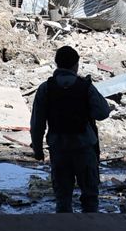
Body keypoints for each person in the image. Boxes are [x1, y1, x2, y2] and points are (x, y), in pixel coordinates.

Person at [30, 46, 111, 213]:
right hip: (84, 148)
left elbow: (37, 123)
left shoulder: (46, 88)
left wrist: (38, 149)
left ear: (57, 64)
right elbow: (103, 113)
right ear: (76, 65)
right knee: (90, 198)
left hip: (59, 149)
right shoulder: (85, 87)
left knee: (63, 199)